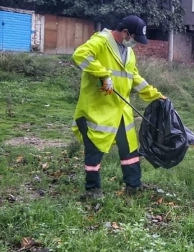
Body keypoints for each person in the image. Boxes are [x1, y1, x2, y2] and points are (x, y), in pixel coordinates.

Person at [71, 15, 167, 200]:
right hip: (98, 109)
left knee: (129, 149)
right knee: (95, 149)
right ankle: (92, 190)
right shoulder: (101, 41)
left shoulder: (128, 52)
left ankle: (134, 185)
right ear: (125, 32)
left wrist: (155, 95)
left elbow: (134, 78)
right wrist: (103, 75)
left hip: (121, 110)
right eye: (134, 38)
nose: (135, 44)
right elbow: (79, 55)